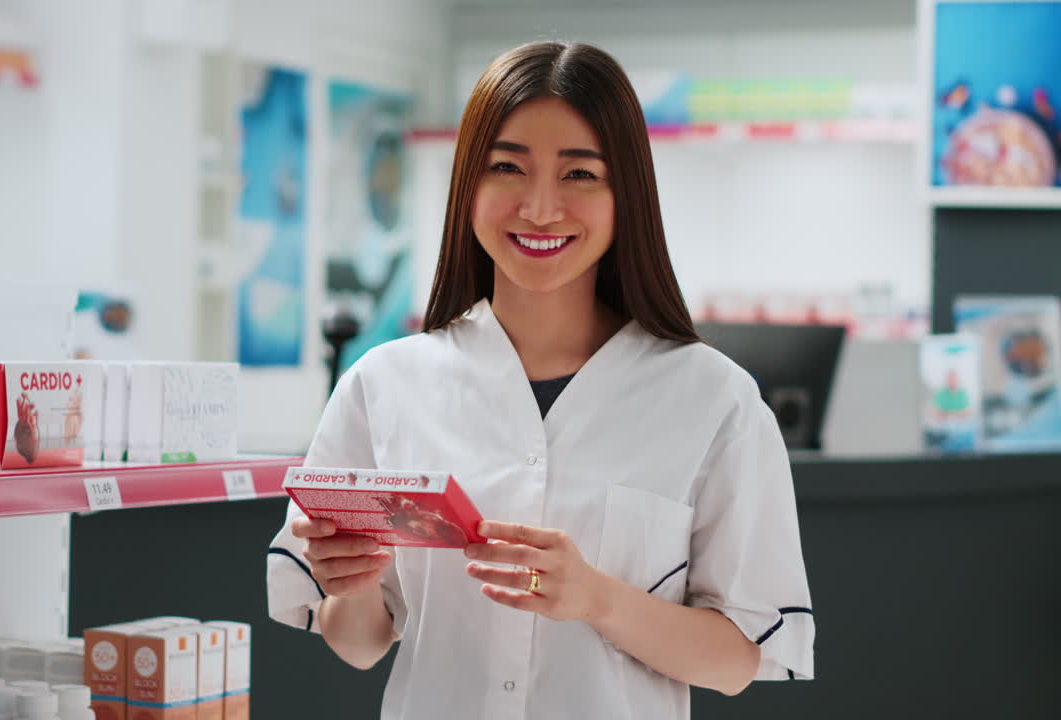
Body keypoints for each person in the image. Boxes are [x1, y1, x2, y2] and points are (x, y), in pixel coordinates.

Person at [266, 41, 814, 720]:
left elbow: (740, 659)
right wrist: (348, 584)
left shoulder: (715, 401)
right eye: (507, 168)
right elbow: (359, 643)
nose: (541, 207)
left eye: (580, 174)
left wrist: (597, 598)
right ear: (468, 185)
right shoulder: (384, 386)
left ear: (626, 195)